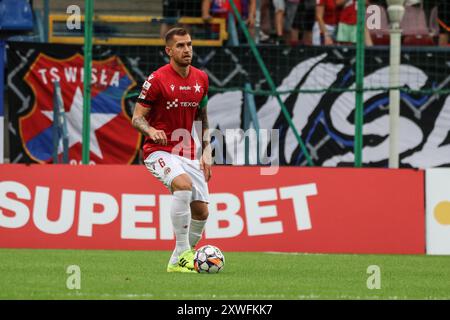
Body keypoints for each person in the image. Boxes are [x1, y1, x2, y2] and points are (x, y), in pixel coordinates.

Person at [132, 28, 212, 273]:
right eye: (180, 46)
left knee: (201, 212)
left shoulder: (201, 79)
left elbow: (203, 117)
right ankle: (185, 253)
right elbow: (136, 117)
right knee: (183, 184)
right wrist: (149, 130)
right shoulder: (156, 80)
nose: (187, 49)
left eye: (189, 44)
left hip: (188, 151)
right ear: (169, 51)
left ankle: (177, 261)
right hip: (158, 151)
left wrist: (207, 151)